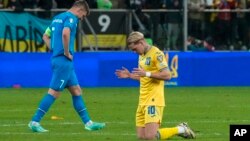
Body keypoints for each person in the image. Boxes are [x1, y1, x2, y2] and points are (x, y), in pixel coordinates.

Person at [28, 0, 105, 133]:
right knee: (53, 93)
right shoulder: (72, 18)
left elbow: (45, 36)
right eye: (84, 15)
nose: (82, 18)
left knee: (76, 91)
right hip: (63, 61)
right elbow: (65, 33)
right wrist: (65, 52)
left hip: (61, 61)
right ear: (80, 10)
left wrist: (54, 48)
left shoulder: (57, 18)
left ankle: (88, 123)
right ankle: (35, 121)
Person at [115, 31, 196, 140]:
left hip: (154, 100)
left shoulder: (156, 54)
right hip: (142, 100)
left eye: (134, 49)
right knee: (141, 136)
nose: (134, 52)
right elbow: (144, 78)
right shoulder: (141, 56)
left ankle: (181, 129)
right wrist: (130, 75)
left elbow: (167, 75)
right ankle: (181, 129)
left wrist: (147, 73)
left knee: (151, 136)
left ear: (141, 42)